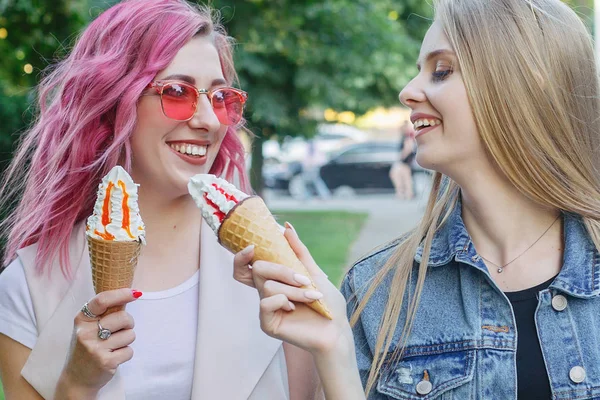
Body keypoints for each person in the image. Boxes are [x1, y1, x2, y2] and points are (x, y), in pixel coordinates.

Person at [233, 0, 600, 399]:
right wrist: (333, 345)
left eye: (441, 70)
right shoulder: (377, 290)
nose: (408, 91)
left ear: (526, 83)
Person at [0, 1, 319, 399]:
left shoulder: (273, 268)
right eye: (177, 92)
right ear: (113, 100)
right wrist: (76, 385)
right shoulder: (27, 287)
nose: (207, 120)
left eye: (220, 97)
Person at [389, 121, 416, 199]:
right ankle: (406, 193)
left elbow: (408, 148)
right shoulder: (407, 136)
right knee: (405, 177)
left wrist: (401, 158)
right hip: (406, 161)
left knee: (400, 176)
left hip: (404, 161)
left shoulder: (407, 136)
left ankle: (403, 193)